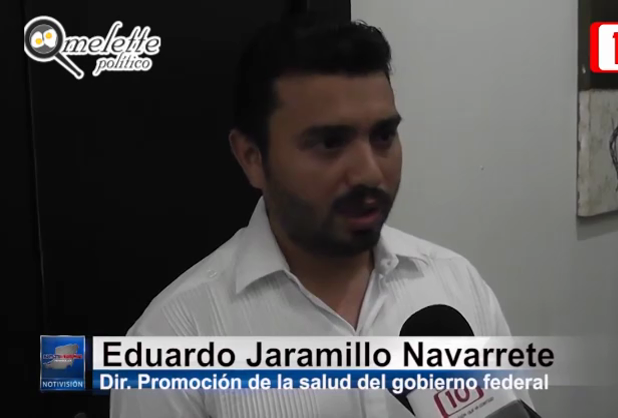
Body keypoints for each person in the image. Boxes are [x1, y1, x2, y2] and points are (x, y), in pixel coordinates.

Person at [110, 13, 528, 418]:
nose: (369, 172)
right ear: (252, 157)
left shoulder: (456, 286)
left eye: (383, 135)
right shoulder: (172, 337)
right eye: (330, 142)